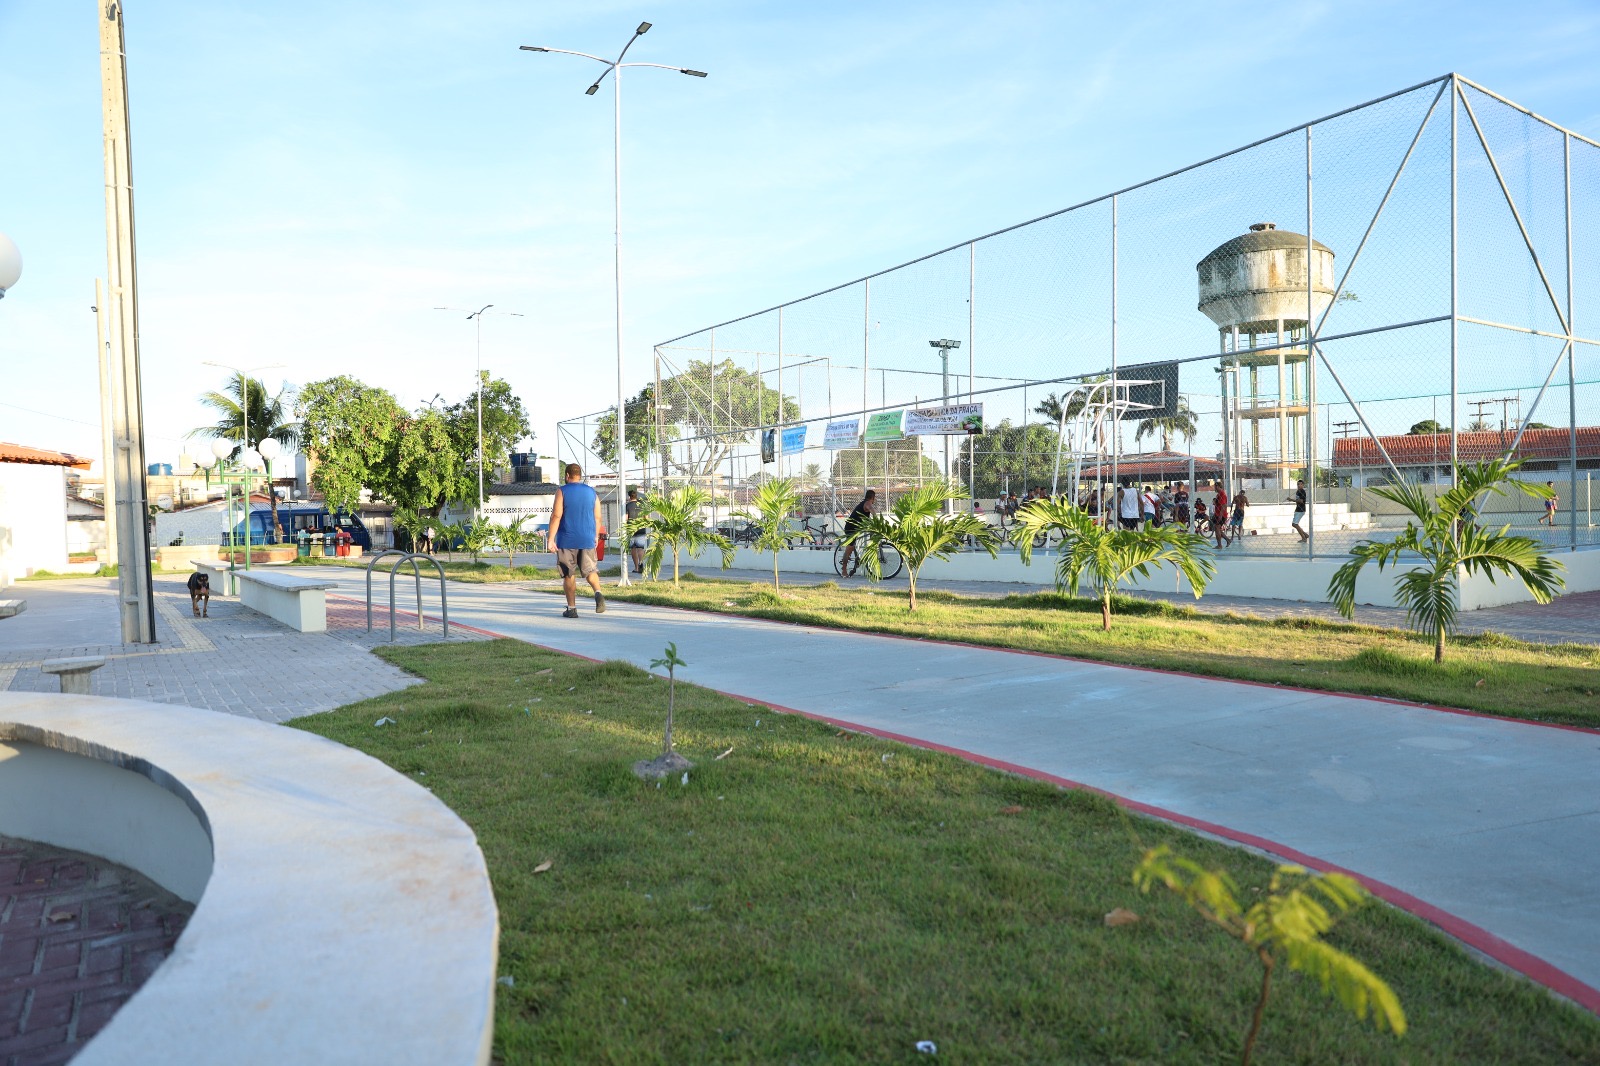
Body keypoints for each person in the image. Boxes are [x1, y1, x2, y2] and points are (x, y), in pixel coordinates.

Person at [548, 462, 606, 618]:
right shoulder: (592, 492)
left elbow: (556, 516)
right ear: (579, 476)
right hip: (587, 539)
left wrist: (550, 539)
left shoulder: (562, 491)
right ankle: (598, 592)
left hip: (567, 540)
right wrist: (595, 536)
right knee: (590, 571)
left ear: (567, 476)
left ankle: (572, 609)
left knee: (569, 575)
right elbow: (598, 517)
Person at [839, 490, 876, 575]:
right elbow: (873, 512)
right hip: (850, 528)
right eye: (874, 498)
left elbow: (866, 518)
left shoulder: (864, 503)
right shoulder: (867, 503)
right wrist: (878, 521)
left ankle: (857, 560)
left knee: (854, 546)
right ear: (873, 497)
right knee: (850, 549)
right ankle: (844, 570)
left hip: (856, 528)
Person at [624, 487, 648, 574]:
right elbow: (646, 517)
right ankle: (641, 563)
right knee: (640, 548)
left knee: (633, 548)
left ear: (629, 497)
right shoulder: (642, 505)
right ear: (636, 496)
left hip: (631, 529)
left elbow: (626, 518)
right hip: (641, 528)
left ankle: (636, 568)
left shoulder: (627, 506)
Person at [1290, 479, 1309, 543]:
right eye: (1298, 484)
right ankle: (1305, 535)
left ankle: (1304, 538)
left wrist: (1291, 500)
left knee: (1295, 524)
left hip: (1301, 509)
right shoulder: (1298, 491)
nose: (1299, 485)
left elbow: (1301, 501)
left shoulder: (1302, 491)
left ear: (1303, 485)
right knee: (1294, 524)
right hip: (1298, 509)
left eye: (1300, 484)